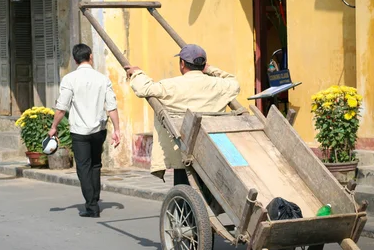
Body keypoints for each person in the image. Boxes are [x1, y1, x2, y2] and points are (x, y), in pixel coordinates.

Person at [125, 44, 240, 185]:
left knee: (182, 184)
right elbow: (234, 82)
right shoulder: (221, 85)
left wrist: (137, 73)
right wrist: (210, 69)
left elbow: (144, 88)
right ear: (202, 64)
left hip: (183, 149)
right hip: (211, 146)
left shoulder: (171, 86)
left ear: (182, 63)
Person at [49, 44, 121, 218]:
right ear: (90, 57)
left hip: (80, 132)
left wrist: (53, 127)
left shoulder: (69, 79)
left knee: (83, 167)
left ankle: (92, 206)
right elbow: (111, 107)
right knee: (96, 164)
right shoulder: (103, 79)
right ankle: (94, 198)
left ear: (75, 60)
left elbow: (61, 108)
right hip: (99, 130)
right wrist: (117, 129)